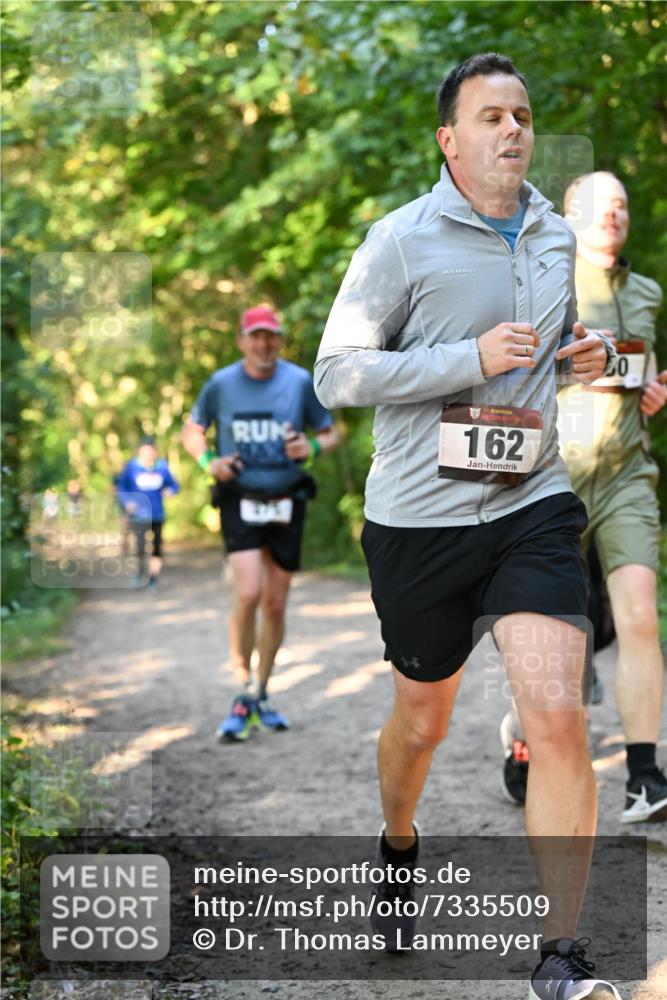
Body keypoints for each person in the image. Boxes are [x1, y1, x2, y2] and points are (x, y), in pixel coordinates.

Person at [316, 53, 620, 1000]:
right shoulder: (399, 242)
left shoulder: (552, 236)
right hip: (418, 524)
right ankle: (399, 847)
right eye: (491, 116)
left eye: (522, 114)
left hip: (529, 506)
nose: (513, 130)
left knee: (558, 718)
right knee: (423, 718)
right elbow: (338, 375)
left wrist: (589, 353)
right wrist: (466, 357)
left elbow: (562, 343)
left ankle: (559, 957)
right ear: (449, 139)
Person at [502, 172, 666, 822]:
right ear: (569, 215)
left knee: (639, 615)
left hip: (626, 475)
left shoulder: (647, 290)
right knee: (558, 637)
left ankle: (644, 776)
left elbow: (642, 372)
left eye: (622, 206)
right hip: (554, 475)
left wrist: (652, 387)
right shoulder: (541, 277)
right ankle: (522, 737)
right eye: (599, 206)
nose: (613, 216)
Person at [182, 305, 338, 742]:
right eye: (256, 336)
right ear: (241, 340)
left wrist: (309, 447)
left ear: (280, 340)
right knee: (248, 591)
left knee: (275, 602)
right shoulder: (221, 384)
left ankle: (262, 690)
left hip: (288, 499)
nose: (264, 343)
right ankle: (241, 689)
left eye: (271, 336)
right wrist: (209, 461)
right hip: (240, 498)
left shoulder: (300, 382)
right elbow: (192, 430)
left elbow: (330, 433)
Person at [117, 436, 180, 586]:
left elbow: (175, 485)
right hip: (139, 515)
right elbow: (121, 488)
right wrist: (127, 502)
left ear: (155, 451)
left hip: (157, 513)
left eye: (151, 451)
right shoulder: (132, 467)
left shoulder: (162, 467)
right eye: (145, 451)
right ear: (140, 451)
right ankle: (138, 572)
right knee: (139, 546)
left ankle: (154, 577)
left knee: (157, 547)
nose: (148, 454)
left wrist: (170, 491)